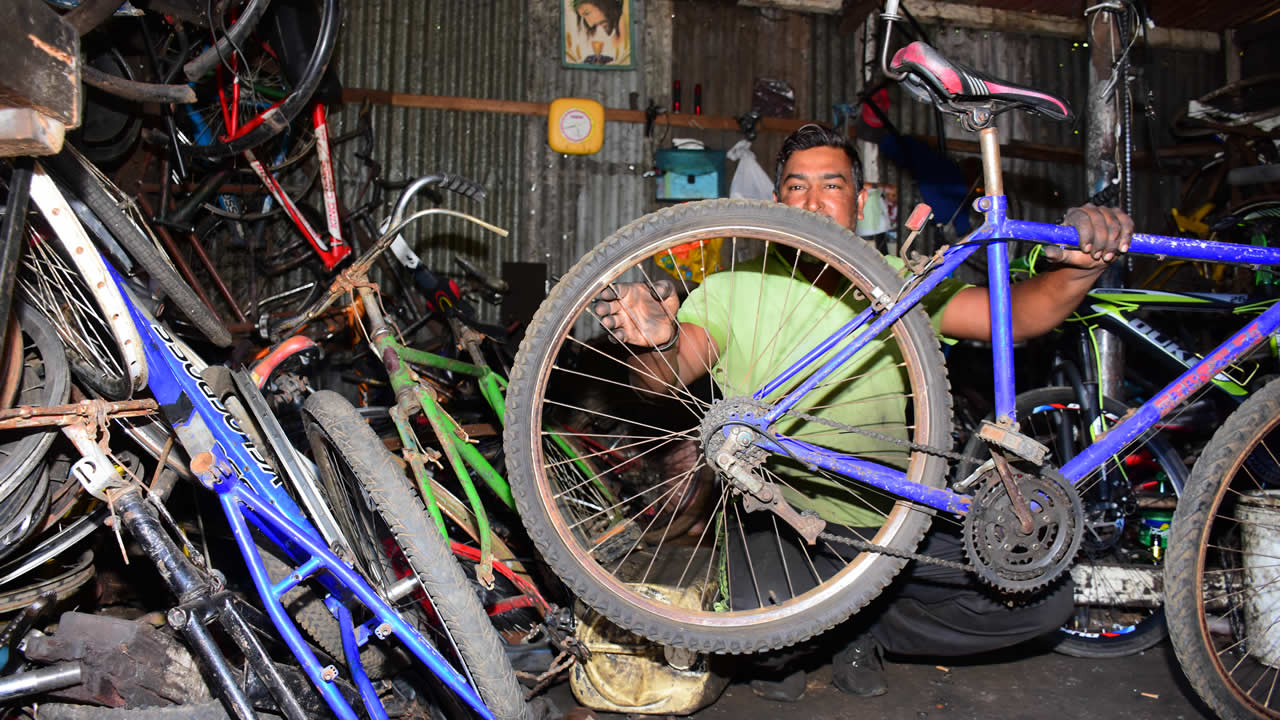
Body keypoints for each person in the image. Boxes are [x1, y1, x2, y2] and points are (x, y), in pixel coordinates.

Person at [591, 124, 1133, 702]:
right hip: (782, 516)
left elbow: (1015, 316)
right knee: (762, 646)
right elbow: (672, 371)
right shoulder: (734, 286)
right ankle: (827, 625)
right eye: (796, 187)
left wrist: (1080, 268)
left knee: (1041, 602)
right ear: (776, 200)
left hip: (896, 516)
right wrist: (654, 340)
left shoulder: (899, 279)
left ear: (859, 199)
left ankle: (861, 626)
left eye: (832, 185)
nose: (812, 201)